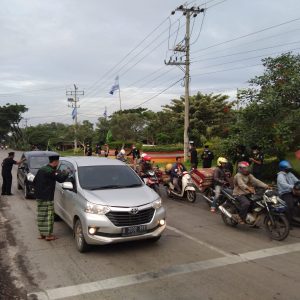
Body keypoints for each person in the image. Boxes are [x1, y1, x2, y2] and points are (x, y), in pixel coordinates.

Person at [33, 155, 69, 241]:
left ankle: (42, 234)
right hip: (47, 197)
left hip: (39, 196)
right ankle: (48, 235)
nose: (58, 163)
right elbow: (60, 179)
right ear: (55, 162)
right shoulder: (50, 171)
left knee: (41, 215)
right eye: (58, 162)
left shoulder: (42, 169)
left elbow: (34, 182)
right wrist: (67, 172)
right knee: (49, 216)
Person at [277, 160, 299, 227]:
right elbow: (284, 185)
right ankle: (287, 223)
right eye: (287, 168)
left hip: (293, 191)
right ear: (283, 168)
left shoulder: (290, 174)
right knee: (290, 206)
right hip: (285, 193)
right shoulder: (280, 176)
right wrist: (293, 187)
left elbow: (296, 181)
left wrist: (298, 183)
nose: (289, 169)